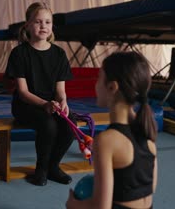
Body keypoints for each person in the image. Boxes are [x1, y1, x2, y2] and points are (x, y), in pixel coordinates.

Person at [66, 51, 158, 209]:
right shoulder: (146, 128)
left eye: (98, 79)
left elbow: (101, 207)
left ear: (111, 87)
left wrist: (73, 204)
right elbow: (150, 188)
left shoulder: (106, 140)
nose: (95, 85)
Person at [5, 2, 75, 186]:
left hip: (51, 105)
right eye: (38, 22)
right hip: (26, 105)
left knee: (70, 125)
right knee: (48, 125)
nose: (43, 26)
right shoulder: (19, 53)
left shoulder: (59, 54)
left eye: (47, 22)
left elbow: (60, 90)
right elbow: (22, 92)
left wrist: (63, 102)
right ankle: (41, 169)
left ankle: (53, 166)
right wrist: (45, 104)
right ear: (27, 25)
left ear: (52, 26)